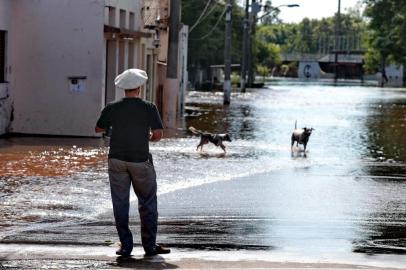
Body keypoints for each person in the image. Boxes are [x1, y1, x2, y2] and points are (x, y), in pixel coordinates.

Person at [95, 69, 170, 257]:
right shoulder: (149, 107)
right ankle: (150, 246)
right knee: (147, 203)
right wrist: (149, 138)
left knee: (120, 204)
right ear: (140, 87)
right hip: (140, 160)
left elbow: (98, 128)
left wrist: (114, 128)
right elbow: (158, 134)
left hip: (117, 160)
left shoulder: (112, 107)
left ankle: (125, 246)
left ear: (123, 89)